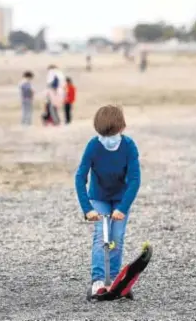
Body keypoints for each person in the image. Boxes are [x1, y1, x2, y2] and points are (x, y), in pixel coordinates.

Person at [74, 105, 141, 297]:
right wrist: (87, 208)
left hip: (121, 199)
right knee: (102, 237)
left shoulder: (129, 146)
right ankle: (98, 281)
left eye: (111, 135)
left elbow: (135, 179)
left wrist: (123, 207)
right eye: (104, 135)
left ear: (122, 128)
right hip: (99, 197)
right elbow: (80, 177)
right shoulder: (94, 146)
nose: (108, 140)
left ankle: (114, 280)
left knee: (116, 238)